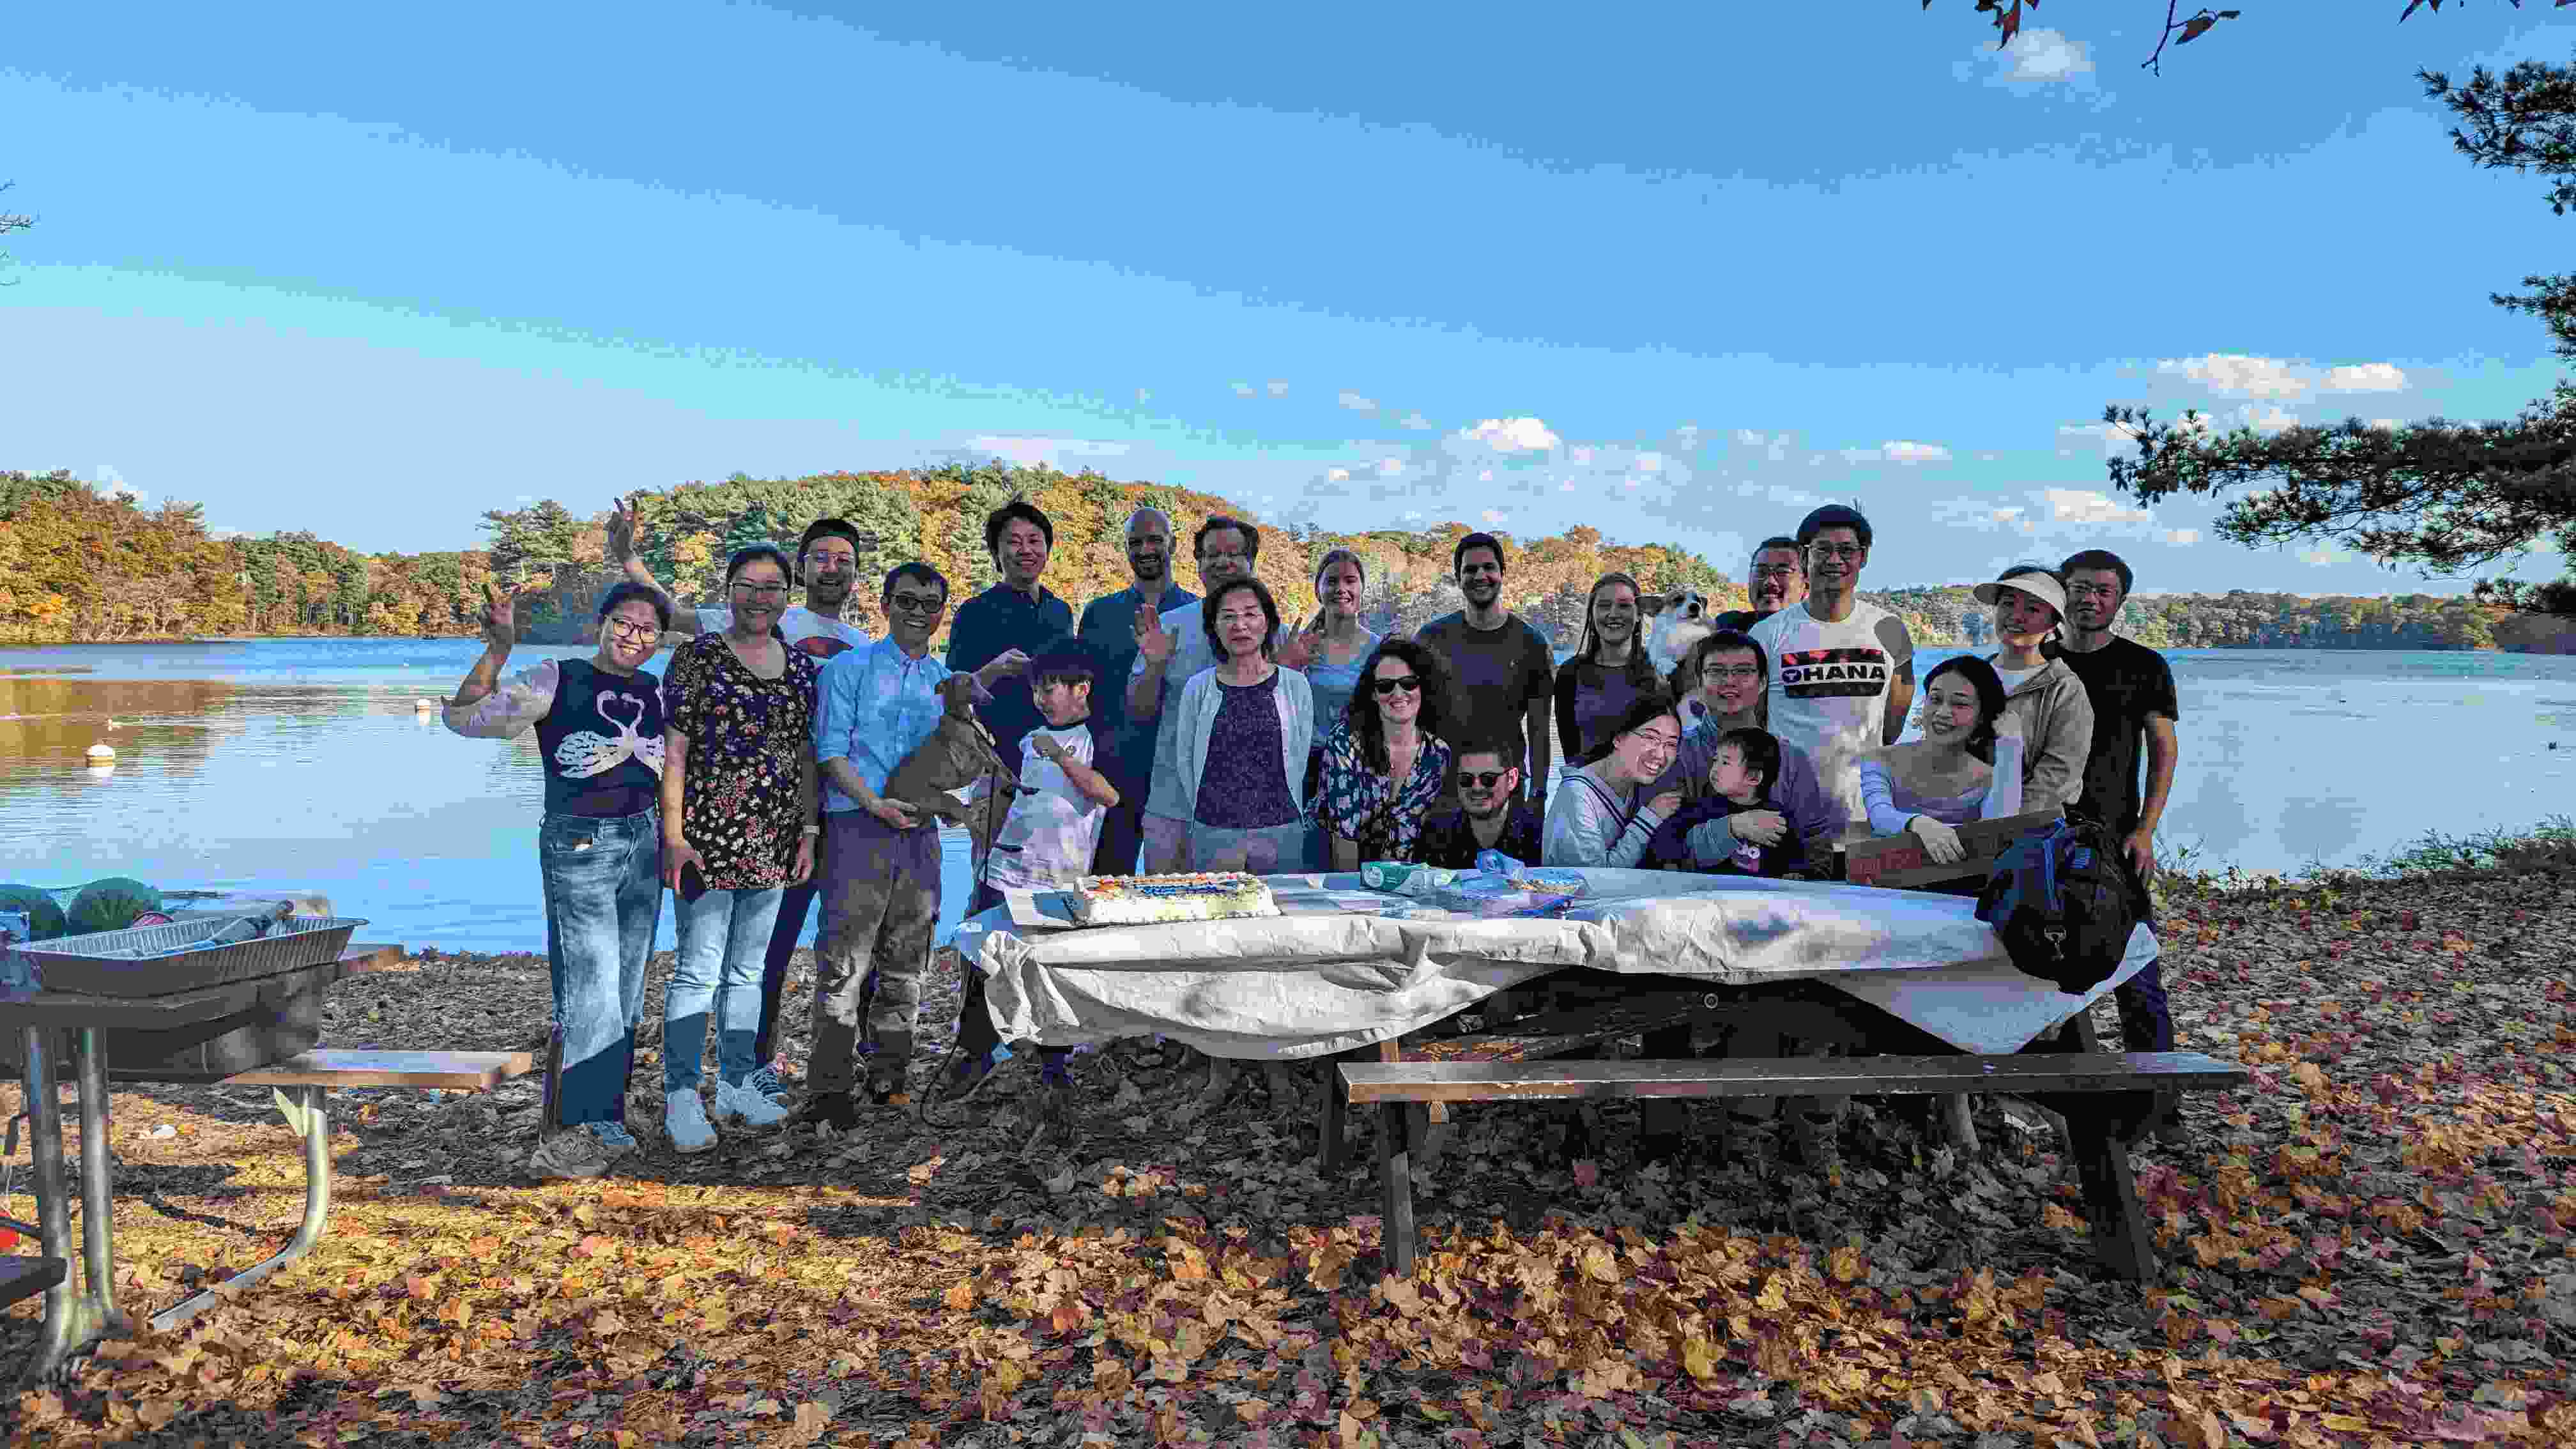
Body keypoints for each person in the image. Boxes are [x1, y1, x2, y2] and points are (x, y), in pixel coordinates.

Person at [612, 507, 871, 1081]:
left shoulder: (859, 645)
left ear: (857, 574)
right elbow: (669, 616)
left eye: (845, 561)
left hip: (824, 814)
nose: (833, 568)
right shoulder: (753, 622)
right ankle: (743, 1067)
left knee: (825, 950)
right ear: (801, 570)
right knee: (736, 958)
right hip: (727, 824)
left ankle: (799, 1069)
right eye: (821, 557)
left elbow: (837, 737)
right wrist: (630, 558)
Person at [443, 579, 670, 1179]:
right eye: (624, 622)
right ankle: (581, 1126)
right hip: (581, 842)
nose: (634, 637)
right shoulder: (555, 677)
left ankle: (605, 1116)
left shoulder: (656, 691)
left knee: (626, 984)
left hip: (645, 841)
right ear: (601, 622)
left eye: (647, 629)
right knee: (589, 983)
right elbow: (468, 721)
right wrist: (498, 652)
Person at [803, 563, 1029, 1126]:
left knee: (909, 958)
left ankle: (889, 1073)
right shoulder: (847, 669)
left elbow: (959, 756)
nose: (918, 611)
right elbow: (829, 752)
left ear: (940, 613)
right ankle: (829, 1089)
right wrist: (874, 803)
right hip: (858, 824)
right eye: (906, 600)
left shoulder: (947, 682)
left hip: (921, 834)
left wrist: (965, 807)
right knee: (845, 962)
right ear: (884, 604)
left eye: (930, 604)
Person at [657, 545, 821, 1153]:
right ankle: (681, 1095)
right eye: (748, 586)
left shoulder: (801, 668)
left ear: (787, 597)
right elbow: (673, 752)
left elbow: (806, 757)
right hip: (705, 839)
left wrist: (808, 831)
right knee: (698, 971)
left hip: (775, 841)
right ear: (728, 592)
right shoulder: (697, 658)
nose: (760, 598)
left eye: (773, 587)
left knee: (748, 971)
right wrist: (673, 836)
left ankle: (734, 1083)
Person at [2055, 548, 2185, 1142]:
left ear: (2119, 600)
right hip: (2043, 837)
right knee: (2046, 967)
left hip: (2114, 838)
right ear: (2063, 592)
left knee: (2139, 972)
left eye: (2102, 590)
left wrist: (2146, 829)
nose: (2089, 599)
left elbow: (2163, 749)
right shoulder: (2041, 660)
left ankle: (2161, 1108)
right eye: (2079, 588)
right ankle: (2066, 1099)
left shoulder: (2143, 665)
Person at [951, 642, 1118, 1091]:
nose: (1041, 700)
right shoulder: (1027, 739)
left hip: (1059, 878)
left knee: (1049, 968)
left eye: (1050, 689)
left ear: (1081, 689)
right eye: (1036, 691)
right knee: (981, 958)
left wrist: (1060, 756)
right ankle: (975, 1053)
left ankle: (1054, 1064)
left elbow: (1109, 796)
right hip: (1004, 869)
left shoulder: (1097, 738)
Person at [1127, 517, 1312, 872]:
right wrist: (1155, 666)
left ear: (1251, 563)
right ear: (1197, 563)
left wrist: (1288, 667)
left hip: (1261, 820)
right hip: (1174, 806)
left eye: (1234, 554)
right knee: (1169, 917)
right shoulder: (1169, 626)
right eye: (1212, 554)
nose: (1223, 562)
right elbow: (1138, 711)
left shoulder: (1276, 634)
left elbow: (1297, 736)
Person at [1748, 505, 1917, 841]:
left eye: (1847, 550)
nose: (1834, 560)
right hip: (1787, 813)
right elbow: (1755, 722)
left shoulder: (1889, 630)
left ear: (1864, 556)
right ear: (1804, 555)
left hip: (1865, 812)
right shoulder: (1768, 634)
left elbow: (1892, 726)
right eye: (1822, 549)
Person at [1650, 630, 1843, 868]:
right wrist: (1730, 828)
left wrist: (1804, 877)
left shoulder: (1791, 760)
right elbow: (1660, 846)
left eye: (1743, 671)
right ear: (1699, 684)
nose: (1729, 681)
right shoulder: (1677, 755)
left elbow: (1815, 844)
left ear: (1763, 682)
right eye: (1717, 672)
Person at [1075, 507, 1197, 874]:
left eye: (1155, 540)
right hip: (1114, 771)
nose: (1145, 549)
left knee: (1180, 889)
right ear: (1125, 550)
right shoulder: (1099, 613)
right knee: (1108, 884)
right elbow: (1083, 693)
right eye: (1135, 542)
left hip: (1180, 772)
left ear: (1173, 545)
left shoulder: (1198, 612)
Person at [1172, 577, 1315, 872]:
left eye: (1251, 613)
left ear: (1268, 622)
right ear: (1214, 626)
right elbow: (1186, 759)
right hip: (1213, 829)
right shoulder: (1198, 688)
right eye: (1228, 616)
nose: (1240, 625)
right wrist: (1208, 814)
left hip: (1282, 828)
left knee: (1281, 916)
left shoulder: (1295, 685)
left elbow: (1299, 754)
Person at [1415, 533, 1554, 823]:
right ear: (1458, 577)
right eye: (1470, 569)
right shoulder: (1430, 639)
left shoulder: (1532, 643)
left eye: (1489, 567)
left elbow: (1540, 732)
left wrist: (1538, 796)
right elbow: (1412, 719)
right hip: (1441, 791)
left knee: (1508, 869)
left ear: (1502, 573)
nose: (1481, 576)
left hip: (1505, 786)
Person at [1855, 656, 2029, 873]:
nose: (1943, 712)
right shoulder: (1879, 760)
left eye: (1960, 704)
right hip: (1888, 889)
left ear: (1982, 717)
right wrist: (1920, 824)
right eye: (1935, 699)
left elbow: (1997, 831)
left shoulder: (1990, 779)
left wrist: (2011, 748)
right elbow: (1879, 815)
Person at [948, 500, 1076, 769]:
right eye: (1014, 542)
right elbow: (953, 696)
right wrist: (995, 670)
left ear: (1047, 549)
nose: (1026, 550)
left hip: (1055, 754)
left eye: (1034, 540)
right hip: (995, 759)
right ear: (996, 553)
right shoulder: (974, 613)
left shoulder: (1060, 611)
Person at [1311, 638, 1454, 870]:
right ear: (1373, 694)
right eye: (1385, 686)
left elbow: (1403, 837)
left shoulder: (1436, 754)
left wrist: (1389, 895)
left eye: (1409, 683)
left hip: (1387, 868)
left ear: (1423, 687)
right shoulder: (1345, 742)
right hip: (1328, 861)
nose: (1398, 693)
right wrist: (1354, 903)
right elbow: (1343, 838)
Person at [1974, 565, 2094, 812]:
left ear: (2053, 623)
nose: (2016, 617)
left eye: (2033, 609)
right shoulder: (1968, 677)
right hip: (1956, 823)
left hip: (2027, 831)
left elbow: (2059, 776)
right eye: (2008, 604)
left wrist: (1999, 819)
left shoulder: (2064, 688)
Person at [1294, 549, 1384, 868]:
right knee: (1311, 861)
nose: (1340, 588)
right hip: (1308, 767)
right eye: (1331, 581)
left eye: (1350, 580)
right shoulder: (1302, 645)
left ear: (1362, 588)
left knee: (1354, 867)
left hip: (1361, 765)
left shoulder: (1378, 649)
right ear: (1318, 588)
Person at [1643, 727, 1811, 878]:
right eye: (1715, 760)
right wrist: (1670, 861)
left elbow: (1794, 851)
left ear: (1753, 777)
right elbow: (1668, 833)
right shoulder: (1703, 807)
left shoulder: (1779, 818)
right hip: (1711, 897)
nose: (1715, 768)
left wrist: (1794, 872)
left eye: (1725, 762)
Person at [1540, 693, 1683, 868]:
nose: (1660, 755)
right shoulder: (1578, 794)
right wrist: (1649, 819)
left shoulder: (1636, 784)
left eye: (1671, 744)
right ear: (1619, 738)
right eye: (1650, 738)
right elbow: (1594, 879)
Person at [1553, 572, 1659, 763]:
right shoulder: (1570, 673)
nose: (1613, 614)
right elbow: (1571, 754)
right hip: (1589, 786)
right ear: (1592, 614)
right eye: (1604, 606)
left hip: (1650, 789)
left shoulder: (1659, 670)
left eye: (1624, 606)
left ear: (1638, 615)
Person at [1415, 740, 1545, 869]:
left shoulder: (1541, 835)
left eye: (1488, 779)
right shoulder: (1436, 835)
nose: (1477, 788)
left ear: (1511, 779)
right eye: (1466, 779)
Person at [1707, 535, 1808, 638]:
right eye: (1761, 572)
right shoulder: (1725, 627)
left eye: (1783, 572)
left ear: (1806, 586)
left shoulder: (1819, 637)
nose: (1770, 581)